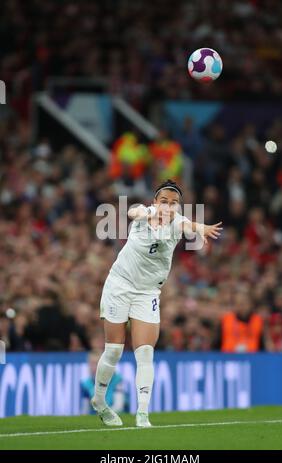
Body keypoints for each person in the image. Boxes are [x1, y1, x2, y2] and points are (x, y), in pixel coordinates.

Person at [92, 179, 222, 427]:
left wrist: (201, 228)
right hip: (119, 285)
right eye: (164, 201)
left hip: (147, 292)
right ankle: (99, 400)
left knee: (145, 353)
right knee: (114, 350)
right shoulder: (146, 213)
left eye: (174, 203)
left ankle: (142, 413)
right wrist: (141, 212)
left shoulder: (178, 222)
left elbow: (188, 225)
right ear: (155, 202)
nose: (169, 206)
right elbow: (134, 211)